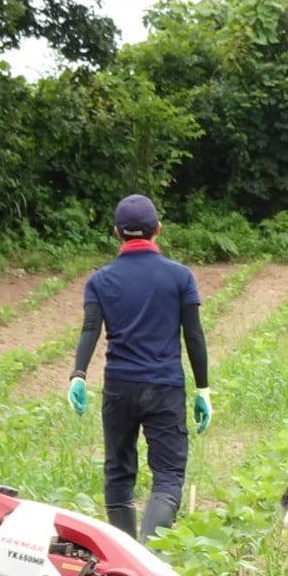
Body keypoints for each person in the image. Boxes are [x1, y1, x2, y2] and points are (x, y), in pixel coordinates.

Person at [67, 194, 212, 542]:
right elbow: (193, 335)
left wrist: (78, 375)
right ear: (157, 229)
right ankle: (149, 553)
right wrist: (203, 389)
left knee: (118, 472)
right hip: (165, 387)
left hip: (119, 386)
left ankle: (124, 557)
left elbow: (90, 329)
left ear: (117, 232)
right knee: (168, 474)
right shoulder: (180, 277)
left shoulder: (100, 281)